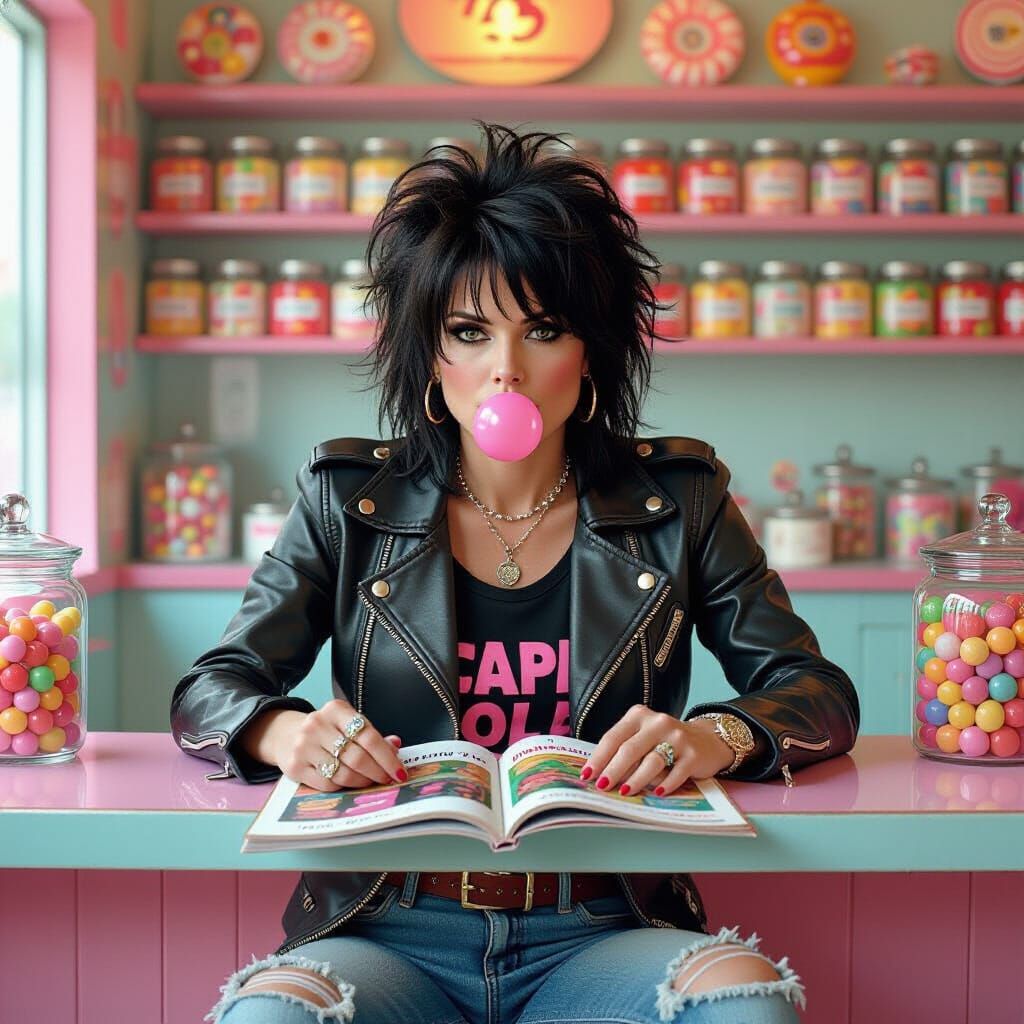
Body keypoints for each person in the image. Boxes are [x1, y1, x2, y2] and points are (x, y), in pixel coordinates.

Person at [171, 121, 859, 1024]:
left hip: (606, 926)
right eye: (469, 330)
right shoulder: (349, 501)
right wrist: (282, 733)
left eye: (542, 328)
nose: (507, 370)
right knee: (270, 1016)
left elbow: (816, 692)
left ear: (591, 352)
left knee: (745, 1004)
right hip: (386, 928)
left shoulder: (679, 500)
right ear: (431, 355)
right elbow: (211, 689)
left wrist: (712, 739)